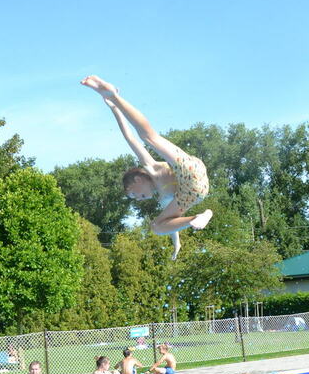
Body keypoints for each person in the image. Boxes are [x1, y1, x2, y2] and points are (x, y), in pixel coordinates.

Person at [82, 75, 212, 260]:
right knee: (157, 227)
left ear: (138, 179)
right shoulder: (163, 198)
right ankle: (200, 217)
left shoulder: (152, 168)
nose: (136, 198)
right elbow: (172, 224)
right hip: (194, 189)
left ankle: (115, 96)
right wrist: (177, 243)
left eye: (133, 193)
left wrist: (114, 107)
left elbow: (130, 137)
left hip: (189, 170)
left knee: (149, 137)